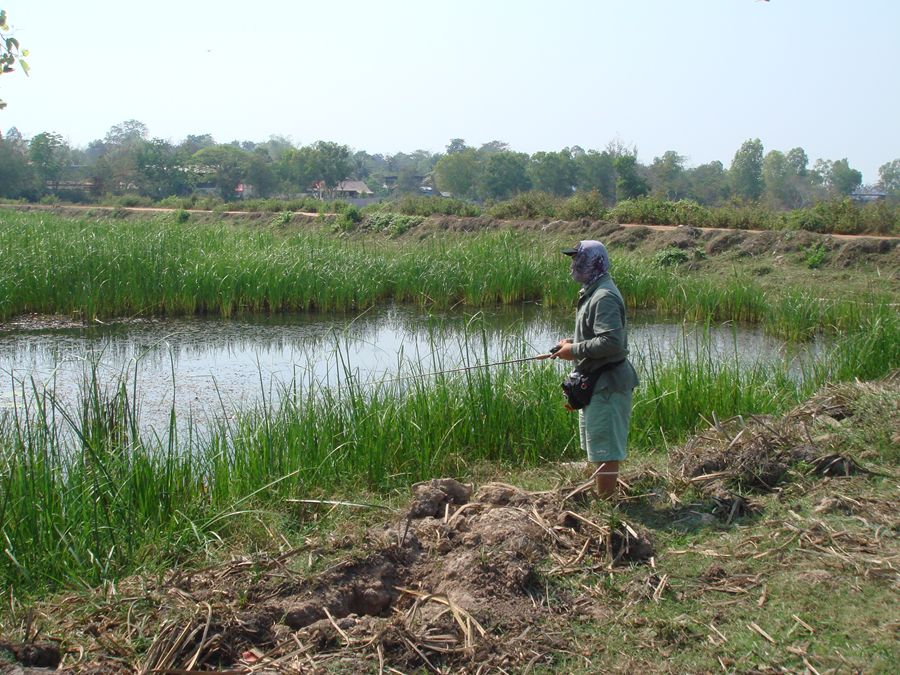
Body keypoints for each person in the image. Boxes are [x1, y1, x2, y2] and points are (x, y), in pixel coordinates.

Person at [550, 240, 639, 499]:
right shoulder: (592, 290)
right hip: (596, 381)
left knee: (606, 450)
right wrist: (570, 343)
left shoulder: (604, 296)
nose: (573, 265)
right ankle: (603, 496)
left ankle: (607, 506)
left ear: (595, 262)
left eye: (579, 259)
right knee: (597, 443)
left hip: (608, 384)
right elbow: (597, 335)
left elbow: (611, 342)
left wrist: (574, 351)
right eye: (573, 259)